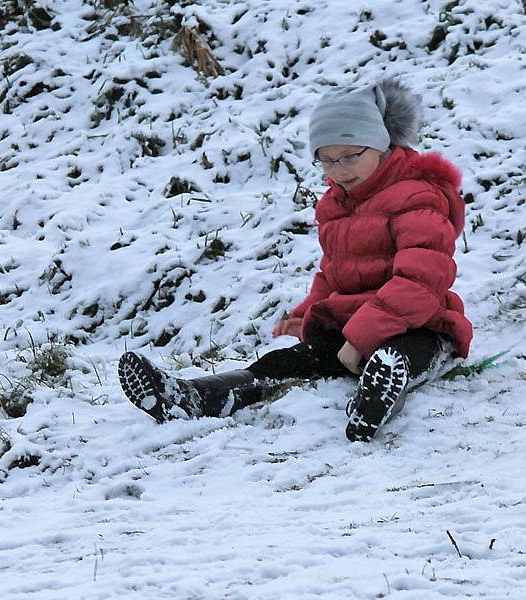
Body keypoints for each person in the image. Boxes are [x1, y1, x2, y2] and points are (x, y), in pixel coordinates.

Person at [118, 78, 473, 442]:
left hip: (424, 323)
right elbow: (336, 272)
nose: (339, 169)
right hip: (354, 328)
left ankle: (377, 395)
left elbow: (421, 280)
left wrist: (363, 337)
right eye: (328, 159)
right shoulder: (337, 203)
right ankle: (193, 398)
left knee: (401, 354)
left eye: (351, 155)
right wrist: (310, 312)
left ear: (381, 146)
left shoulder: (416, 197)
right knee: (286, 363)